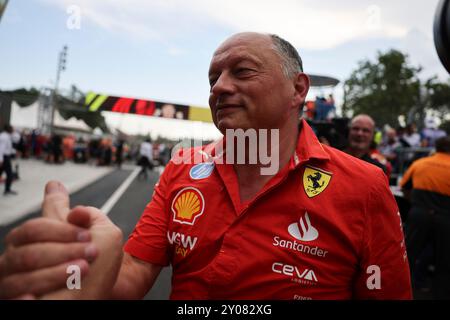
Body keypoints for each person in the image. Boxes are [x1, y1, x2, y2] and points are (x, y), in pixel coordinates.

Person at [0, 32, 411, 300]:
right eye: (213, 78)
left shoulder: (364, 185)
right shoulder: (182, 167)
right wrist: (89, 269)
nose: (220, 88)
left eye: (241, 71)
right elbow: (135, 271)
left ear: (298, 89)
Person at [400, 136, 450, 299]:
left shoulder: (420, 163)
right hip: (445, 218)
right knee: (444, 261)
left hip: (419, 214)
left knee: (407, 256)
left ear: (436, 146)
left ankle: (401, 290)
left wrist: (415, 202)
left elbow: (404, 187)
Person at [0, 124, 17, 195]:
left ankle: (7, 189)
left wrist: (13, 151)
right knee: (9, 174)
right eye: (12, 129)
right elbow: (1, 149)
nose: (13, 130)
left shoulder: (6, 136)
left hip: (5, 157)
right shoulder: (4, 137)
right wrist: (0, 159)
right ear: (9, 129)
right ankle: (7, 189)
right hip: (4, 157)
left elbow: (7, 147)